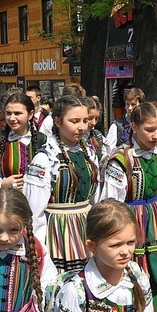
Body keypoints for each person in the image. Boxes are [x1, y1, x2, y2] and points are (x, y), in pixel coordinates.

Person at [38, 199, 157, 312]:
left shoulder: (136, 276)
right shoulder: (78, 290)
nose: (125, 251)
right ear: (92, 246)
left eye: (130, 242)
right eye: (115, 245)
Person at [98, 101, 157, 312]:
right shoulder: (120, 159)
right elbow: (111, 200)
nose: (155, 135)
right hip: (131, 218)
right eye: (149, 130)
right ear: (134, 127)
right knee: (135, 266)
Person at [28, 95, 99, 272]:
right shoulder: (45, 158)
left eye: (85, 120)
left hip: (87, 228)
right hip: (58, 233)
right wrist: (38, 248)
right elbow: (34, 211)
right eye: (74, 121)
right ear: (58, 122)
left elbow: (95, 199)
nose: (82, 127)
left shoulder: (88, 151)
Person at [0, 92, 48, 242]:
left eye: (17, 113)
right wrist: (2, 183)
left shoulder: (44, 141)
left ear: (30, 114)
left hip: (39, 213)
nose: (12, 118)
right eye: (8, 113)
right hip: (6, 210)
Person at [104, 87, 145, 156]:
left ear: (140, 105)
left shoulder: (146, 124)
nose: (129, 108)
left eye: (133, 104)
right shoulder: (117, 125)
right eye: (127, 104)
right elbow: (109, 152)